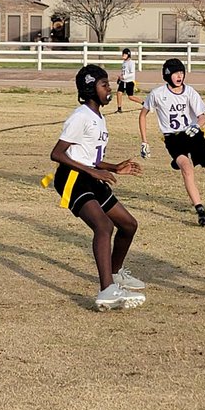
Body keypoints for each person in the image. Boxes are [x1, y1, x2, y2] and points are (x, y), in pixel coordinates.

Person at [49, 65, 147, 311]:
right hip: (72, 178)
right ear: (90, 89)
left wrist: (114, 167)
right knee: (104, 226)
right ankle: (106, 290)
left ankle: (115, 275)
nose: (109, 89)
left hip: (90, 176)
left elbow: (90, 156)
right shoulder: (81, 116)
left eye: (108, 84)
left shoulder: (98, 117)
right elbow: (57, 154)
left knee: (128, 224)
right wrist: (94, 172)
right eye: (104, 85)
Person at [139, 57, 205, 226]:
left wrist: (197, 126)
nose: (179, 76)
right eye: (175, 73)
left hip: (193, 136)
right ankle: (200, 209)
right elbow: (143, 115)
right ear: (167, 75)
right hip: (173, 139)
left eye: (181, 72)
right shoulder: (157, 94)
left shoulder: (189, 92)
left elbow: (202, 117)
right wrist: (144, 141)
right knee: (186, 168)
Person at [114, 48, 141, 113]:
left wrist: (124, 77)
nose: (123, 55)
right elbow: (123, 72)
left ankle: (144, 103)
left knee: (130, 97)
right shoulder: (124, 63)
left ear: (128, 55)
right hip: (123, 81)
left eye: (124, 54)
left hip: (129, 82)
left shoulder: (131, 63)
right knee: (119, 93)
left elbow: (132, 74)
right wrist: (120, 78)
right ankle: (119, 108)